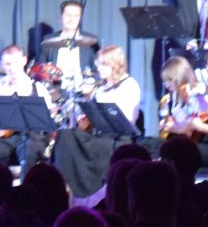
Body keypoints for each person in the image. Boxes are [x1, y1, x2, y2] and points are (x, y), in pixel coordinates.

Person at [52, 44, 141, 200]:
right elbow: (91, 117)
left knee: (101, 146)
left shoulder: (129, 85)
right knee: (66, 135)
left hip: (118, 137)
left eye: (103, 64)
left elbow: (126, 119)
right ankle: (65, 188)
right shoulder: (101, 87)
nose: (99, 68)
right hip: (99, 134)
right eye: (98, 64)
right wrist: (86, 107)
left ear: (115, 64)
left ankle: (93, 192)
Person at [0, 44, 52, 170]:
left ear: (24, 60)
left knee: (29, 153)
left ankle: (26, 183)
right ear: (2, 64)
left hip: (31, 137)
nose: (12, 68)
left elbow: (47, 118)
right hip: (5, 138)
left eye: (16, 63)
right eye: (8, 64)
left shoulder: (38, 89)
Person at [38, 0, 100, 91]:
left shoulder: (91, 41)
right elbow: (41, 68)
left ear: (81, 18)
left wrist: (91, 82)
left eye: (76, 16)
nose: (71, 19)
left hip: (82, 92)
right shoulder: (48, 40)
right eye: (68, 15)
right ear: (61, 17)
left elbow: (99, 71)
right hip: (55, 91)